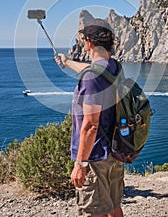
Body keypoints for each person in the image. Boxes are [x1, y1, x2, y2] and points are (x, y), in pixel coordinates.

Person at [55, 18, 124, 217]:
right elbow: (93, 70)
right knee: (114, 206)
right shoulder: (114, 67)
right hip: (114, 150)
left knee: (95, 211)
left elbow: (90, 126)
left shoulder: (91, 78)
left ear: (88, 43)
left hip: (95, 157)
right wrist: (67, 62)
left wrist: (80, 164)